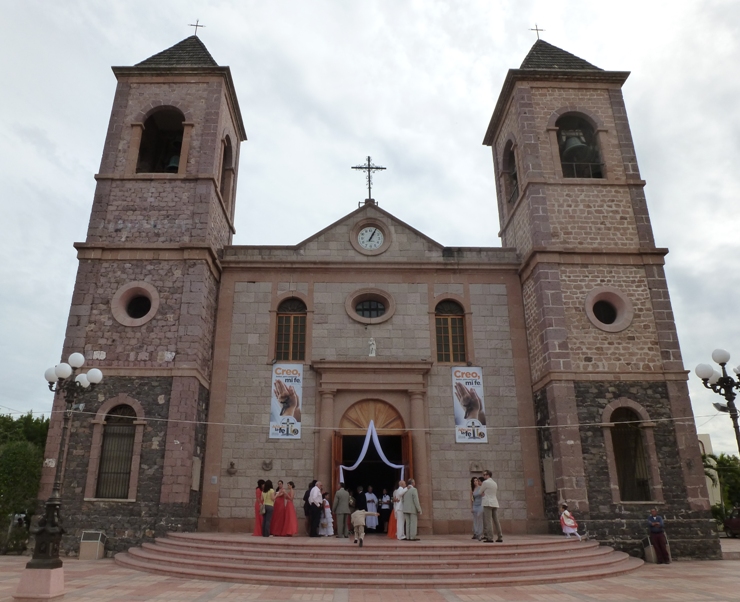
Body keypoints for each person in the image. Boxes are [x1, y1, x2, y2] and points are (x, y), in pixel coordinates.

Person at [480, 470, 503, 543]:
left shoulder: (485, 482)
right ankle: (500, 536)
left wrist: (483, 493)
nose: (484, 476)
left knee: (488, 521)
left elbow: (480, 491)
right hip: (494, 502)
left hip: (487, 502)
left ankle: (490, 537)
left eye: (485, 475)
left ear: (488, 475)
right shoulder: (494, 483)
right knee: (496, 520)